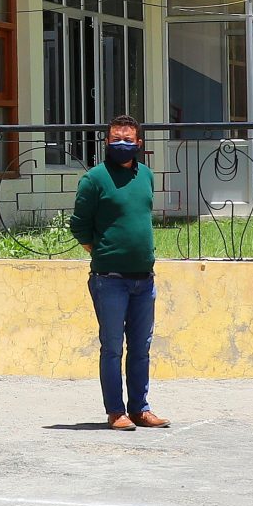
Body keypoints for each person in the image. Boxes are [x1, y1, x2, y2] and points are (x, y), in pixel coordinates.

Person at [68, 115, 165, 431]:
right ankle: (115, 411)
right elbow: (79, 225)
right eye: (115, 139)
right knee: (112, 347)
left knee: (141, 347)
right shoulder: (94, 179)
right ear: (107, 142)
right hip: (109, 280)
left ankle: (140, 408)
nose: (121, 144)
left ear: (139, 143)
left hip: (144, 279)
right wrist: (102, 253)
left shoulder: (147, 176)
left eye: (128, 139)